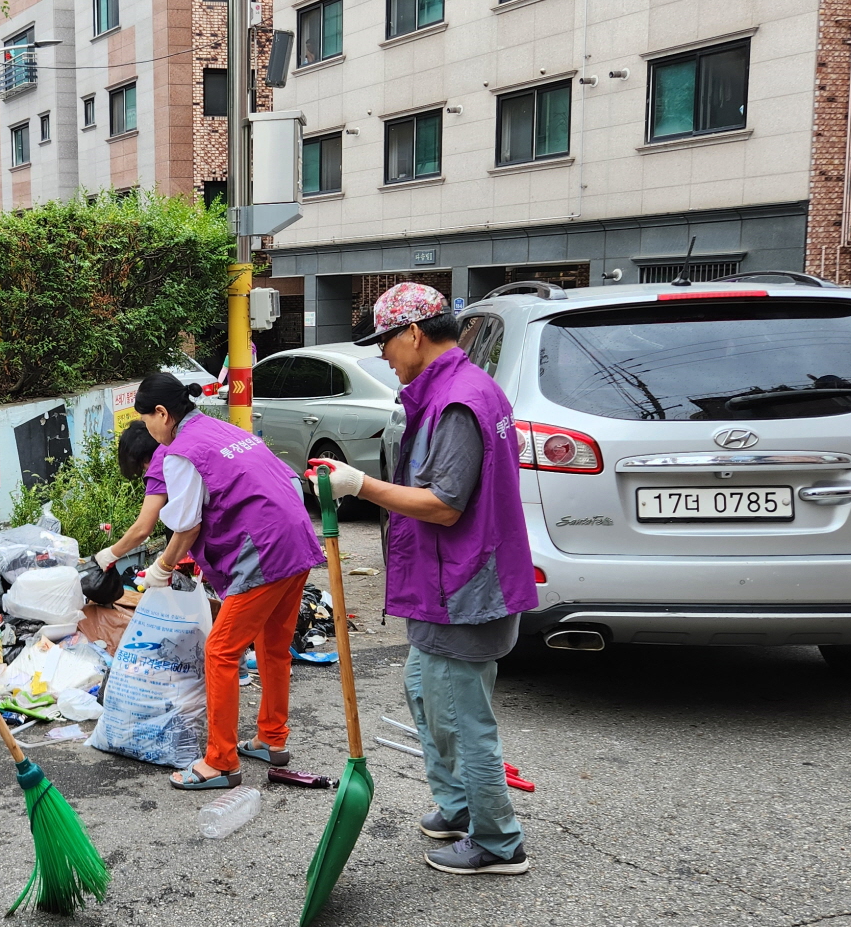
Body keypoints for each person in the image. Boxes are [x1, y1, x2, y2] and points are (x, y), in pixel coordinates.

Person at [308, 282, 537, 876]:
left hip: (464, 585)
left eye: (386, 341)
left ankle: (496, 839)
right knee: (424, 692)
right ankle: (460, 807)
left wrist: (359, 486)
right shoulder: (451, 392)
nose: (383, 354)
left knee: (462, 718)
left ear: (413, 333)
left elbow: (445, 503)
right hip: (445, 583)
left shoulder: (458, 400)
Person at [136, 372, 324, 789]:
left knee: (220, 651)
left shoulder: (180, 451)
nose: (148, 429)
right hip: (296, 538)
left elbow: (185, 527)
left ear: (163, 413)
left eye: (147, 419)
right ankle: (272, 740)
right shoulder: (219, 428)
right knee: (273, 646)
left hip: (265, 552)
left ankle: (220, 762)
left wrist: (161, 569)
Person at [92, 420, 166, 571]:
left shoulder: (160, 467)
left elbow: (142, 529)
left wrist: (111, 554)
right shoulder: (173, 449)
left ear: (143, 458)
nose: (146, 471)